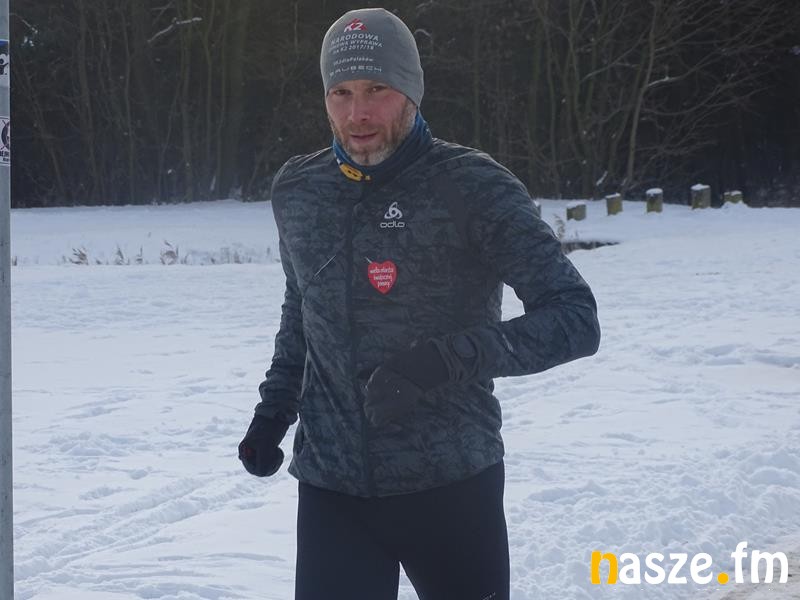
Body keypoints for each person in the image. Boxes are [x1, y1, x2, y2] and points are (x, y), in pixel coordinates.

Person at [238, 7, 600, 600]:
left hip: (451, 483)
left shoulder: (472, 186)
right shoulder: (299, 190)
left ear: (410, 91)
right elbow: (301, 311)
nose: (357, 113)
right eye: (341, 92)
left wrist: (446, 360)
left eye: (377, 90)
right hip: (332, 486)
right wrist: (274, 411)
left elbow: (574, 319)